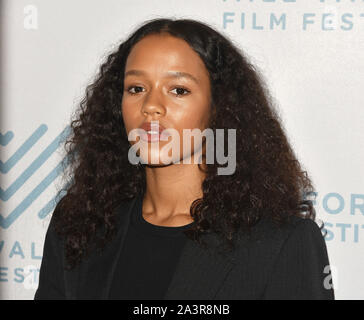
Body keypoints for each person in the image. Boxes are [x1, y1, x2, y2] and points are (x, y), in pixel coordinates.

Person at [34, 18, 335, 300]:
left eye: (179, 90)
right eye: (136, 88)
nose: (151, 106)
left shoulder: (280, 242)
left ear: (220, 107)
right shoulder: (78, 224)